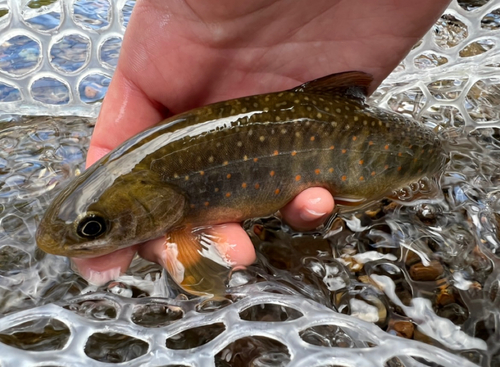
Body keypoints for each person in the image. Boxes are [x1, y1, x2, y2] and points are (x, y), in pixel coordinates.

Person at [73, 0, 451, 285]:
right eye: (95, 227)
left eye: (95, 228)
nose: (95, 235)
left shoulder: (156, 179)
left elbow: (198, 269)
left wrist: (201, 280)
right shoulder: (147, 168)